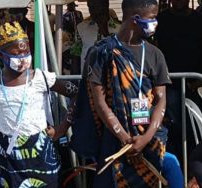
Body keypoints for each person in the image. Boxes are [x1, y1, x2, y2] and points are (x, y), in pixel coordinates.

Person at [74, 0, 171, 187]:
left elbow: (161, 101)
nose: (156, 23)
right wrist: (124, 137)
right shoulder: (102, 53)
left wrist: (146, 138)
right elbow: (100, 102)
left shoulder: (155, 54)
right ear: (136, 19)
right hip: (113, 141)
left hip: (148, 142)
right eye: (152, 18)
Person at [0, 21, 77, 187]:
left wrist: (61, 128)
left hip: (41, 150)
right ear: (1, 56)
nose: (23, 59)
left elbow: (76, 94)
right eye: (16, 54)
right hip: (10, 152)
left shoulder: (40, 78)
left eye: (26, 52)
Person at [154, 0, 202, 162]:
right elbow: (156, 47)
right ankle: (181, 164)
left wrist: (199, 80)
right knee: (175, 126)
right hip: (170, 82)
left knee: (195, 126)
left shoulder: (198, 18)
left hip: (195, 82)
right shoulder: (162, 19)